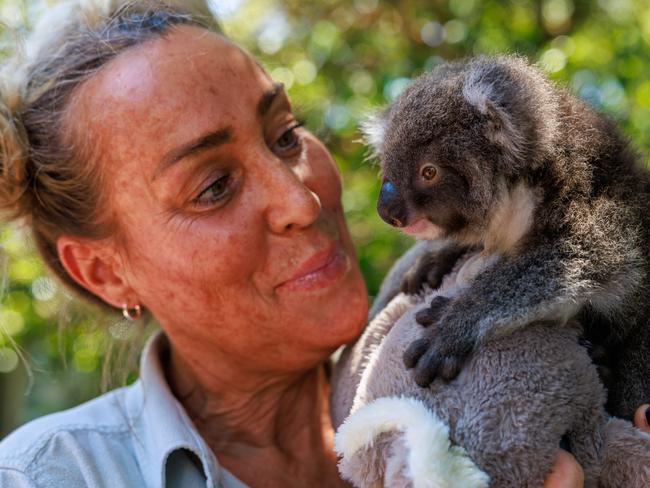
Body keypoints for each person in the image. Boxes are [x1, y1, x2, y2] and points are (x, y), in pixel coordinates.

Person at [0, 1, 645, 486]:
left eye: (286, 135)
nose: (301, 200)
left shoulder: (453, 349)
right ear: (104, 273)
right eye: (214, 186)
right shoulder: (53, 474)